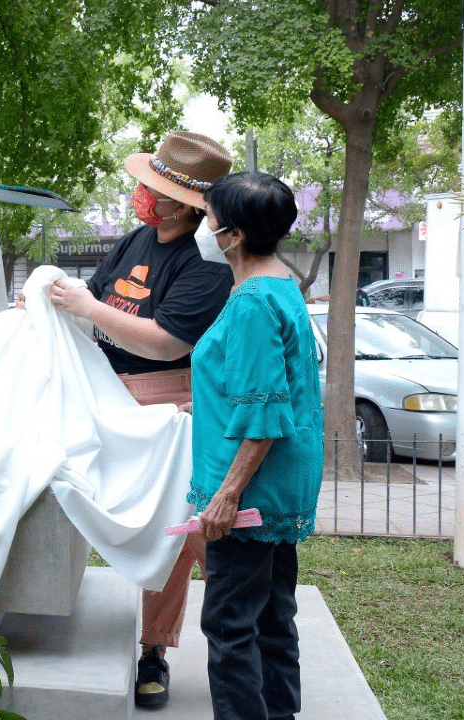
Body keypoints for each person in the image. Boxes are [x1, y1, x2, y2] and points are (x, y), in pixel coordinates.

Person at [46, 130, 234, 707]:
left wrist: (89, 307)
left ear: (187, 204)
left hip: (168, 403)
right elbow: (95, 298)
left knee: (185, 532)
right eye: (144, 185)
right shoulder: (135, 241)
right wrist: (57, 301)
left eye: (154, 190)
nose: (142, 196)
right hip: (106, 397)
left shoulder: (205, 263)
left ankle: (180, 650)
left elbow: (166, 342)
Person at [191, 171, 322, 720]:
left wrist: (227, 496)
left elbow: (265, 414)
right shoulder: (282, 285)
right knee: (271, 618)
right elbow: (265, 385)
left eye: (210, 218)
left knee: (229, 625)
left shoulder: (252, 302)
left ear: (234, 234)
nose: (204, 226)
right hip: (277, 484)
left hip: (249, 492)